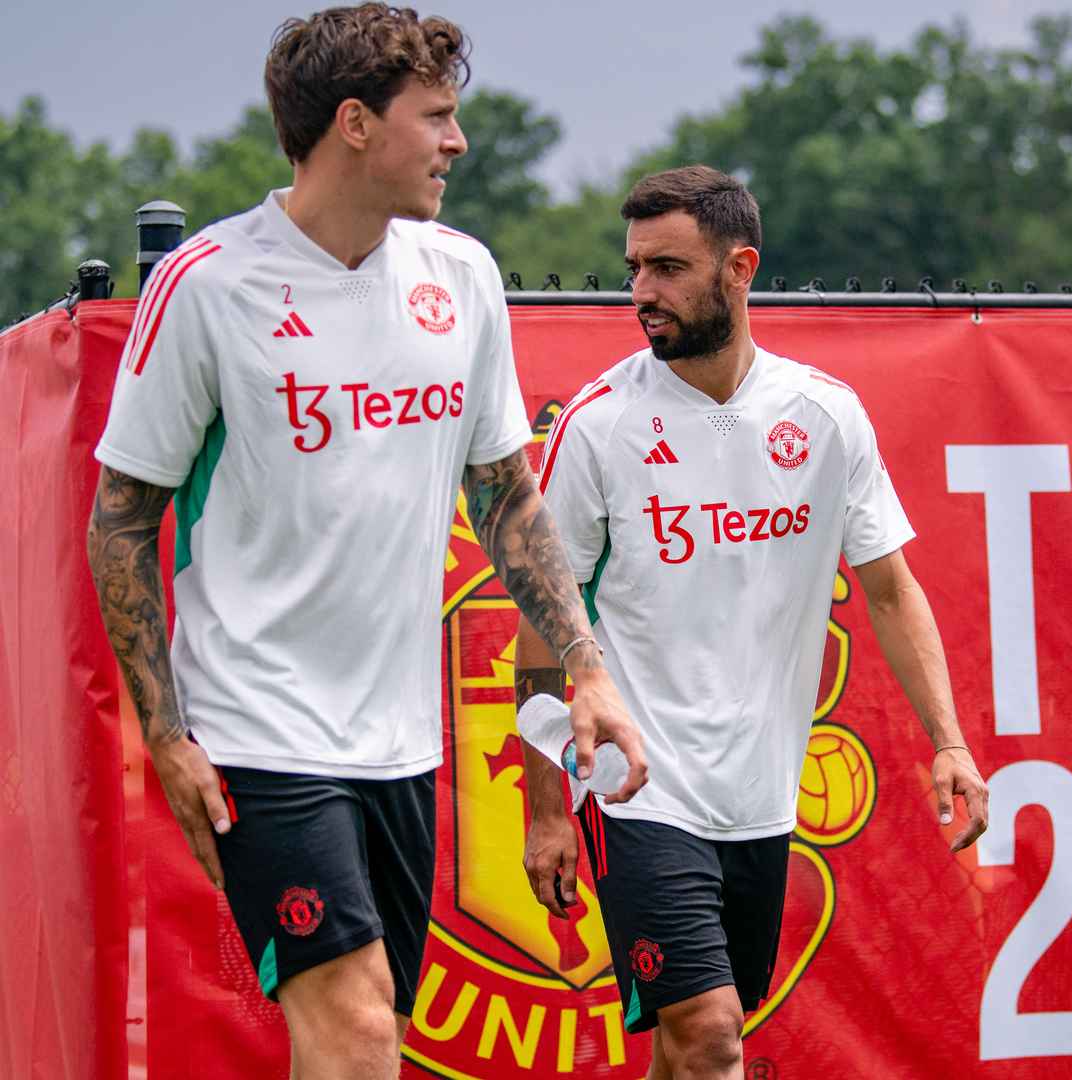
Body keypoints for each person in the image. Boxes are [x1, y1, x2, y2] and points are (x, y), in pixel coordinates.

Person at [85, 7, 646, 1077]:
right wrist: (167, 734)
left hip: (400, 742)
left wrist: (585, 668)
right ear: (353, 124)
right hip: (258, 728)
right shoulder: (205, 285)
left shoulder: (462, 275)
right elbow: (121, 522)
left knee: (372, 1032)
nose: (457, 142)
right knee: (350, 1026)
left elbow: (510, 496)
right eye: (435, 117)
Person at [514, 165, 989, 1080]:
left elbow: (889, 590)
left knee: (690, 1049)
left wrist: (951, 743)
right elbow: (543, 623)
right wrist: (547, 809)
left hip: (758, 801)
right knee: (711, 1034)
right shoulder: (602, 423)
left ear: (741, 267)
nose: (642, 293)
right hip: (632, 786)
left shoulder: (824, 415)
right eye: (634, 268)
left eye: (668, 268)